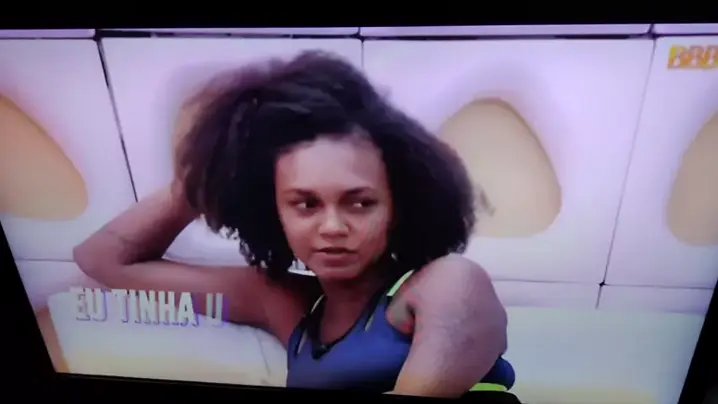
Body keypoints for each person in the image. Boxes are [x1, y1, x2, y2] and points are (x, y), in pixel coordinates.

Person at [73, 50, 517, 399]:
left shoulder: (448, 282)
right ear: (272, 212)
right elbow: (104, 260)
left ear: (399, 207)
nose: (333, 226)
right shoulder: (287, 307)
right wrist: (213, 172)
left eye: (360, 203)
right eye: (305, 204)